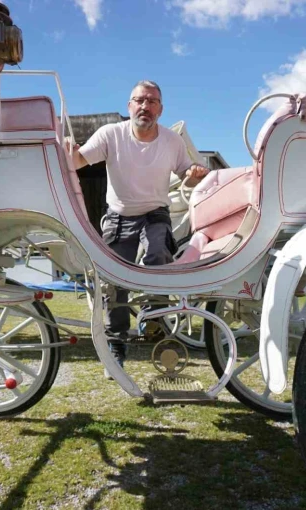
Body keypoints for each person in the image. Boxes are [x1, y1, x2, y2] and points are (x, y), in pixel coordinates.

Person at [64, 80, 210, 378]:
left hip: (155, 213)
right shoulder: (111, 134)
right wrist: (68, 151)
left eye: (152, 101)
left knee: (158, 254)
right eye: (140, 100)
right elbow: (77, 161)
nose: (145, 106)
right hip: (118, 217)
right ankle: (117, 347)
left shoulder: (172, 141)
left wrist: (195, 173)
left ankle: (153, 318)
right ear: (129, 106)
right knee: (114, 282)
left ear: (160, 109)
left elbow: (186, 172)